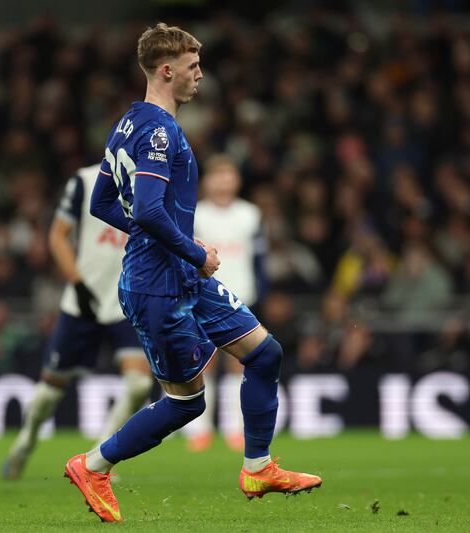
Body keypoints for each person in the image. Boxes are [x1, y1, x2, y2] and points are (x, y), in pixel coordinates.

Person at [63, 23, 321, 523]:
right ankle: (93, 466)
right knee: (187, 404)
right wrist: (193, 250)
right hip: (157, 285)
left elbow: (102, 203)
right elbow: (150, 210)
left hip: (179, 272)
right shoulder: (160, 129)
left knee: (265, 354)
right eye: (192, 67)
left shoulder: (127, 124)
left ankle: (258, 466)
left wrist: (170, 243)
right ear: (167, 70)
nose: (200, 76)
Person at [1, 165, 152, 480]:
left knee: (139, 384)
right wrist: (78, 283)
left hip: (129, 299)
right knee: (50, 390)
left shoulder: (155, 178)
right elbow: (57, 235)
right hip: (84, 300)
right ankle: (25, 441)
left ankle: (99, 458)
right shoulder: (86, 180)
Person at [183, 154, 267, 452]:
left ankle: (234, 428)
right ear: (208, 180)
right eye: (218, 175)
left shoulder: (251, 214)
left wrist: (261, 292)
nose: (224, 181)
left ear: (237, 180)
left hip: (241, 294)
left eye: (229, 175)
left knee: (237, 364)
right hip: (203, 295)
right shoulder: (196, 214)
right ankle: (199, 430)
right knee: (202, 361)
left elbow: (259, 259)